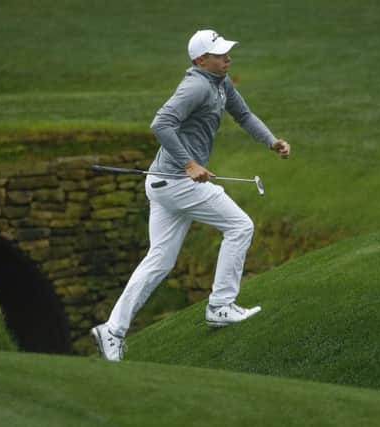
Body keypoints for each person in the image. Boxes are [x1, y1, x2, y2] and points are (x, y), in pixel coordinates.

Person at [91, 29, 291, 361]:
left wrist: (272, 141)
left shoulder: (220, 82)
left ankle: (112, 331)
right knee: (240, 226)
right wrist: (189, 164)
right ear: (201, 60)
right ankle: (221, 305)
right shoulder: (196, 86)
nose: (228, 58)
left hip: (163, 183)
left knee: (159, 261)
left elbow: (243, 115)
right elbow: (161, 124)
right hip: (176, 182)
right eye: (220, 54)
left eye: (227, 52)